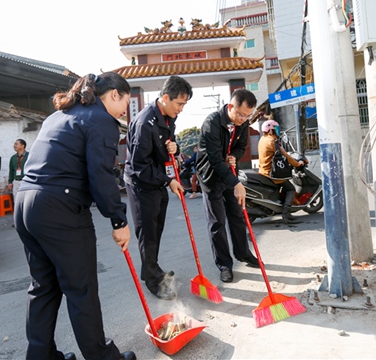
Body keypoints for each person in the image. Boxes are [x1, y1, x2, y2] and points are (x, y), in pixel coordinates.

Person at [14, 73, 136, 360]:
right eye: (126, 103)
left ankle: (41, 356)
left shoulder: (58, 115)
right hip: (60, 208)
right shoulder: (101, 120)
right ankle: (101, 357)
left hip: (25, 203)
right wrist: (118, 220)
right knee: (81, 289)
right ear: (115, 94)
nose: (124, 112)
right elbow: (101, 174)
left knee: (43, 287)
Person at [123, 75, 193, 300]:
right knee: (148, 232)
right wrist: (168, 181)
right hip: (142, 183)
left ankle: (153, 267)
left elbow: (165, 146)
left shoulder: (167, 117)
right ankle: (152, 280)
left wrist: (174, 146)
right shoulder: (145, 122)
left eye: (184, 104)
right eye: (179, 104)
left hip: (157, 179)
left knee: (157, 229)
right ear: (165, 98)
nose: (181, 109)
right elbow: (139, 165)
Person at [196, 89, 260, 283]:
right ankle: (224, 264)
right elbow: (215, 160)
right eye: (241, 114)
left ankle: (243, 253)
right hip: (211, 176)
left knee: (237, 216)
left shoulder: (243, 122)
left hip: (230, 172)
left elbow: (241, 147)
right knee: (217, 223)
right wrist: (237, 184)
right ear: (230, 106)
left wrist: (236, 156)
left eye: (248, 115)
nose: (243, 119)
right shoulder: (212, 123)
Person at [257, 119, 304, 222]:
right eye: (276, 129)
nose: (278, 131)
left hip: (263, 171)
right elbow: (285, 156)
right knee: (291, 188)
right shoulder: (272, 141)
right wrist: (297, 164)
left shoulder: (262, 139)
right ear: (271, 130)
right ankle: (286, 213)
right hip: (272, 174)